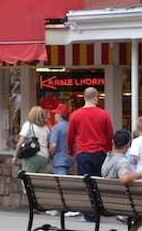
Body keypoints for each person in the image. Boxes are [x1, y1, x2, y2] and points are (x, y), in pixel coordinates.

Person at [67, 87, 113, 223]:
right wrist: (108, 150)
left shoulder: (75, 115)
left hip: (83, 153)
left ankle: (89, 214)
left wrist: (71, 151)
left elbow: (70, 136)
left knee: (86, 184)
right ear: (95, 98)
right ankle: (98, 210)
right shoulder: (104, 114)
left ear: (84, 98)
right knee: (98, 182)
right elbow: (109, 135)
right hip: (99, 152)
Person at [13, 105, 50, 173]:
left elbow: (20, 142)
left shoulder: (28, 125)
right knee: (40, 181)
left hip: (32, 155)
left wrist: (15, 155)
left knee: (27, 178)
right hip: (44, 156)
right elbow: (48, 143)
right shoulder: (46, 128)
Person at [48, 104, 73, 175]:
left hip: (59, 160)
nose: (54, 115)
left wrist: (49, 155)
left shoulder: (56, 128)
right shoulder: (71, 127)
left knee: (61, 183)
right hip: (70, 160)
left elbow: (53, 145)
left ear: (60, 115)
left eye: (56, 113)